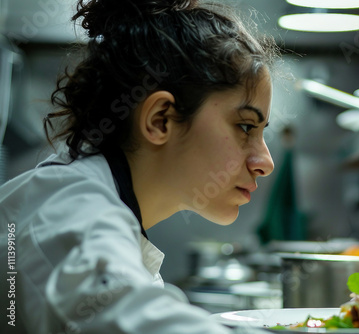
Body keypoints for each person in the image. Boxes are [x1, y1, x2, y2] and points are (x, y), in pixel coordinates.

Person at [0, 0, 280, 332]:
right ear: (160, 120)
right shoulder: (73, 208)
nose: (266, 162)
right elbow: (130, 315)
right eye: (246, 127)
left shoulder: (94, 195)